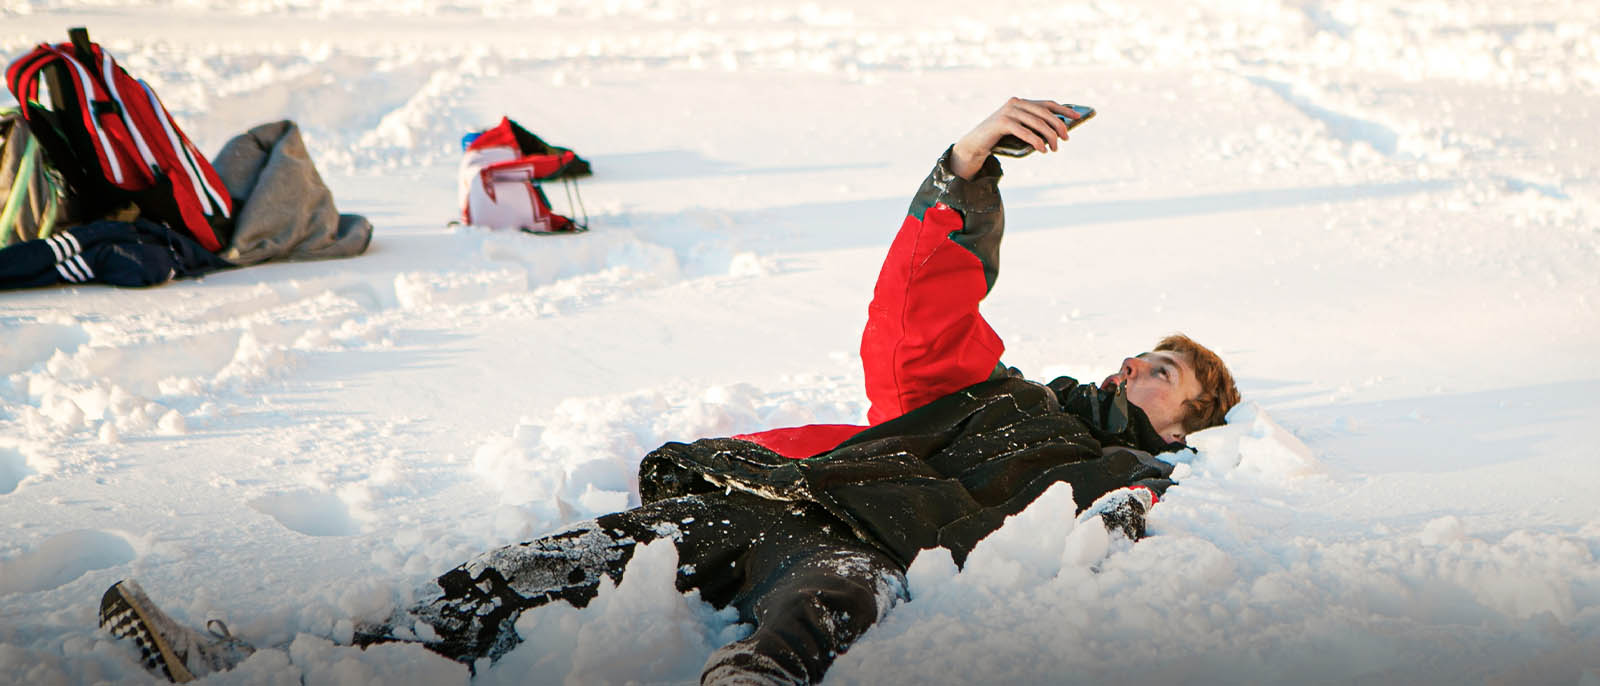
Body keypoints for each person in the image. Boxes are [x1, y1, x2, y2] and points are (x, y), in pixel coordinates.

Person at [97, 98, 1240, 685]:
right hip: (775, 490)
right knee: (563, 557)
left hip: (865, 541)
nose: (1135, 366)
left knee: (828, 597)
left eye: (1165, 371)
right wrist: (969, 163)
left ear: (1186, 417)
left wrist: (1145, 496)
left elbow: (1118, 539)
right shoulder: (1001, 390)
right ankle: (262, 659)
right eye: (1144, 351)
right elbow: (914, 316)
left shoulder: (1131, 470)